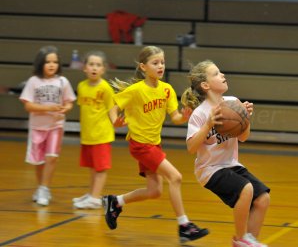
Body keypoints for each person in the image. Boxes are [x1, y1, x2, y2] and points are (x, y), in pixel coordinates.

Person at [102, 46, 209, 243]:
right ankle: (184, 226)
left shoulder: (166, 90)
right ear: (143, 67)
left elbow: (175, 117)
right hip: (141, 145)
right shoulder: (136, 90)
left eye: (162, 62)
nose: (160, 66)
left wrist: (186, 116)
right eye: (155, 63)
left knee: (154, 191)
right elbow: (113, 107)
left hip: (154, 145)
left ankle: (115, 202)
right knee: (175, 177)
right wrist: (114, 120)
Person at [181, 60, 270, 247]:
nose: (222, 75)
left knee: (262, 198)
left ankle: (250, 241)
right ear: (205, 85)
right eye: (216, 73)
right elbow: (191, 148)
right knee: (246, 189)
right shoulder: (200, 113)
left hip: (231, 164)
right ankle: (241, 239)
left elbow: (244, 137)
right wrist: (208, 125)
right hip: (209, 169)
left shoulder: (233, 103)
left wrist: (245, 118)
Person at [20, 45, 76, 206]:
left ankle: (45, 188)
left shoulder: (62, 81)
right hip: (37, 127)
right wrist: (48, 108)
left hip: (55, 126)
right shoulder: (33, 81)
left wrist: (66, 109)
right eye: (48, 62)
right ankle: (40, 187)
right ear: (40, 64)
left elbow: (69, 102)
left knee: (52, 157)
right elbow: (28, 106)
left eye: (55, 62)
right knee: (39, 161)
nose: (52, 65)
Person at [72, 51, 115, 209]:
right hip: (87, 136)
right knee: (92, 167)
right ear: (84, 68)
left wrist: (117, 122)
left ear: (103, 69)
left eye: (98, 65)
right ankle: (91, 194)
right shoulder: (81, 86)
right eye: (91, 64)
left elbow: (112, 109)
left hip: (101, 136)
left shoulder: (105, 88)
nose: (94, 68)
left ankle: (96, 198)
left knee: (101, 168)